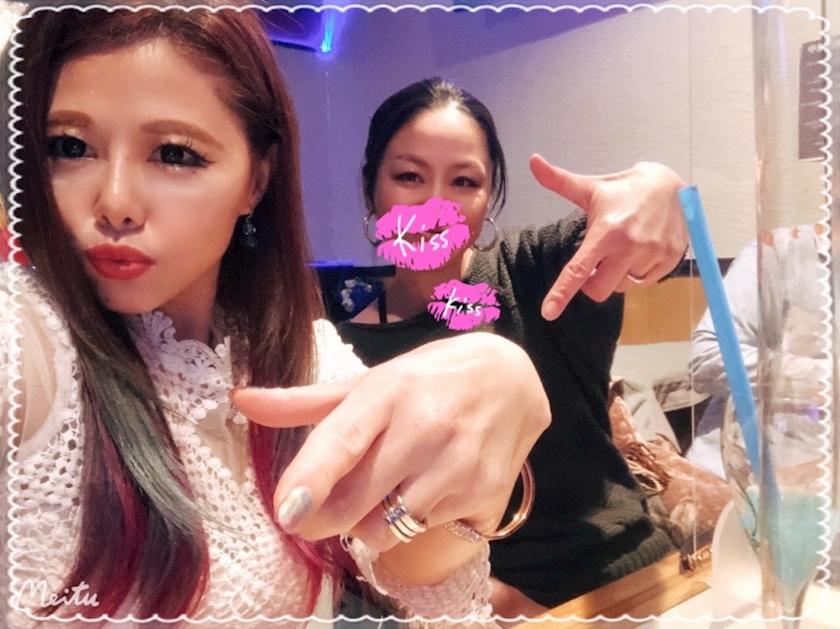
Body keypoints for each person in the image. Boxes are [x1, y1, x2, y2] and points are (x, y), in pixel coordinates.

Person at [1, 6, 557, 626]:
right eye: (70, 147)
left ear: (257, 180)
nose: (115, 203)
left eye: (175, 154)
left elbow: (416, 566)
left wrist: (497, 389)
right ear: (371, 190)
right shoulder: (28, 343)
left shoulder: (306, 350)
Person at [334, 78, 687, 615]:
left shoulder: (537, 271)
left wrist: (660, 189)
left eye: (464, 181)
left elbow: (628, 225)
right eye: (408, 176)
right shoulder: (347, 349)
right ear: (370, 190)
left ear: (489, 198)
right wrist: (488, 599)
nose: (435, 204)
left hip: (625, 579)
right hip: (478, 610)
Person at [689, 223, 831, 479]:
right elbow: (706, 358)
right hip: (739, 478)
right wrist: (823, 378)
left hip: (823, 479)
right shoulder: (778, 251)